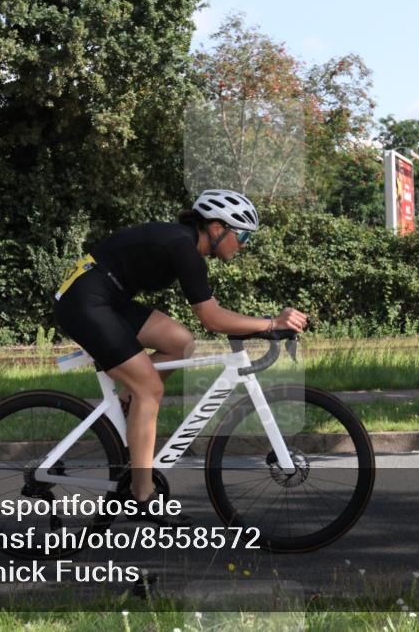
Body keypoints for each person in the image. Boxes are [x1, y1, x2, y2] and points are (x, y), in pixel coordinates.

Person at [54, 189, 308, 510]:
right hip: (86, 301)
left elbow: (210, 315)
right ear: (216, 228)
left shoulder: (186, 245)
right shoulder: (182, 247)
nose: (244, 244)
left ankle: (126, 405)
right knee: (150, 388)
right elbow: (213, 319)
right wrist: (270, 323)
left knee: (180, 343)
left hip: (104, 297)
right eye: (242, 235)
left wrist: (263, 325)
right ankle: (143, 497)